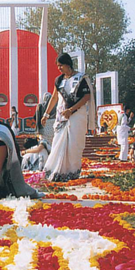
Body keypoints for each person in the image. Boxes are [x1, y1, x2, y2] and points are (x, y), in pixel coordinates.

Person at [41, 53, 96, 182]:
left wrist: (71, 110)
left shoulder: (81, 78)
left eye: (61, 65)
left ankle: (72, 172)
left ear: (67, 64)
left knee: (74, 144)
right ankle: (57, 171)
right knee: (57, 143)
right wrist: (46, 114)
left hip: (77, 116)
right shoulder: (59, 80)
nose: (59, 68)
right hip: (61, 117)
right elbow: (54, 98)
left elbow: (86, 97)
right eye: (58, 66)